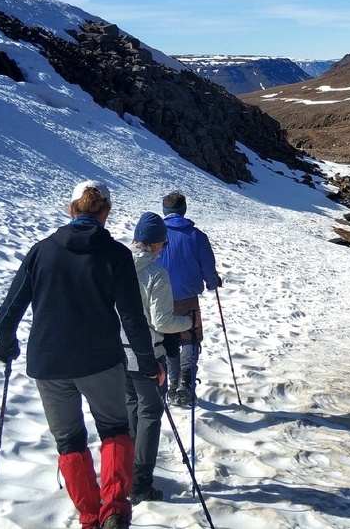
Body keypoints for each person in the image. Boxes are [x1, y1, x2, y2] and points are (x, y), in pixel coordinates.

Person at [0, 180, 162, 529]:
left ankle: (89, 517)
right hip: (100, 359)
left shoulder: (42, 251)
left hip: (48, 361)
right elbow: (132, 316)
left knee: (69, 440)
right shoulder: (115, 254)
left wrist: (5, 343)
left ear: (71, 210)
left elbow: (11, 307)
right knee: (115, 429)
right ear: (106, 213)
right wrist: (147, 362)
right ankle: (114, 508)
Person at [123, 212, 195, 504]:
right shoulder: (155, 274)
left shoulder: (116, 265)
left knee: (129, 411)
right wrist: (188, 322)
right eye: (163, 244)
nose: (164, 248)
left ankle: (124, 472)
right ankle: (141, 483)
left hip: (117, 353)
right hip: (146, 355)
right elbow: (163, 322)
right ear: (154, 244)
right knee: (150, 414)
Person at [157, 191, 221, 407]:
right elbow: (207, 267)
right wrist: (213, 283)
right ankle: (186, 381)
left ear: (164, 211)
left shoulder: (156, 234)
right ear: (184, 209)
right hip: (188, 297)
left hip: (159, 297)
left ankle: (172, 385)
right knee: (190, 338)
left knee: (168, 339)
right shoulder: (196, 235)